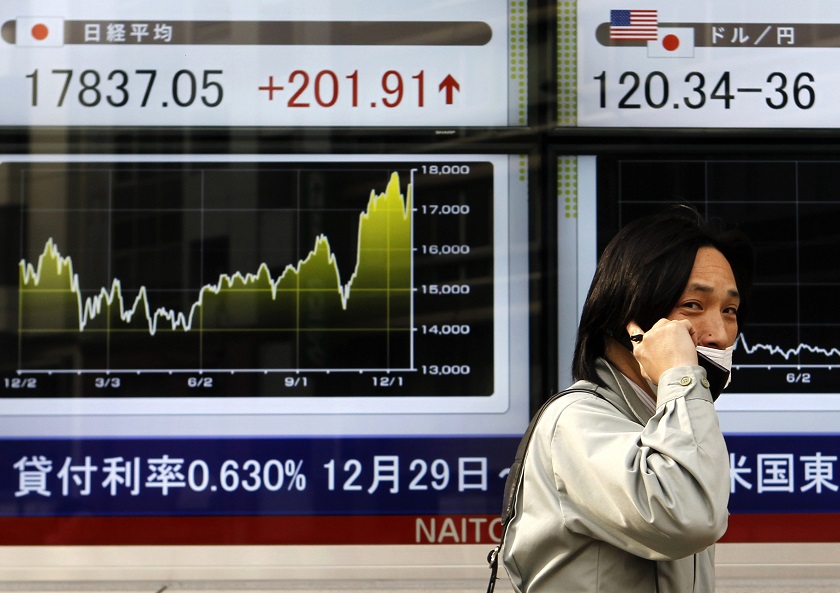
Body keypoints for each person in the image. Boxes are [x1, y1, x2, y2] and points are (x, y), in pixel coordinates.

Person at [501, 206, 755, 593]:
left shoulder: (668, 422)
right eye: (692, 306)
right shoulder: (575, 421)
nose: (720, 334)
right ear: (629, 317)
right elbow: (688, 517)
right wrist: (680, 377)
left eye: (730, 311)